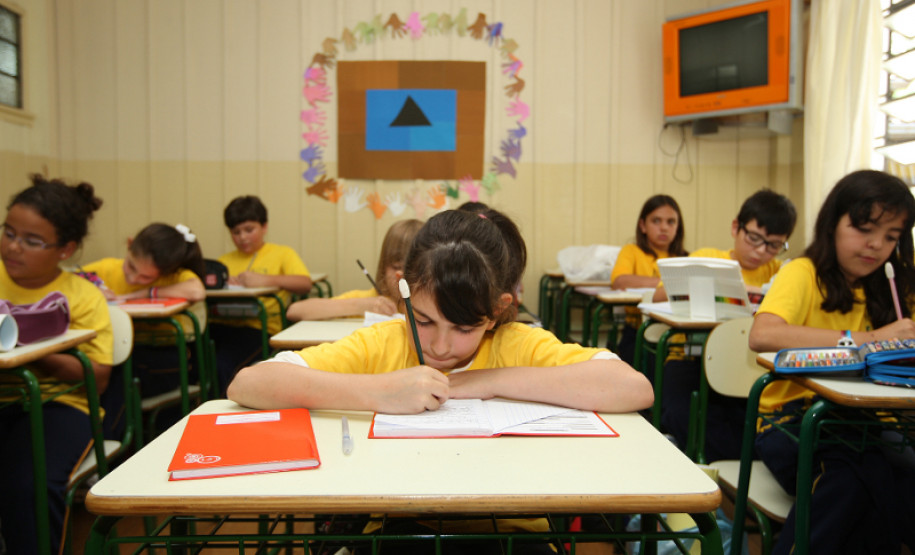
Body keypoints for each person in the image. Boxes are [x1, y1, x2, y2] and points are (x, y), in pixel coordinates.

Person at [228, 209, 653, 554]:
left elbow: (634, 388)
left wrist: (488, 381)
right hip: (399, 526)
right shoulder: (385, 341)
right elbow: (248, 384)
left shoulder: (518, 343)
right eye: (425, 320)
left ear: (498, 308)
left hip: (512, 531)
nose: (442, 346)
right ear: (404, 292)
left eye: (466, 328)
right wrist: (380, 392)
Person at [748, 170, 915, 554]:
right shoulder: (803, 274)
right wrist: (869, 339)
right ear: (833, 222)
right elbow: (764, 335)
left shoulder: (894, 287)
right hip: (791, 423)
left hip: (873, 425)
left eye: (891, 237)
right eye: (865, 228)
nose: (876, 245)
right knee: (853, 478)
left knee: (886, 478)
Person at [0, 175, 113, 555]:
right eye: (8, 232)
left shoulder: (81, 296)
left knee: (27, 482)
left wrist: (35, 351)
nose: (13, 247)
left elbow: (98, 378)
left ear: (65, 249)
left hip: (61, 405)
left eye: (32, 242)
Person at [656, 189, 797, 462]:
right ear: (736, 227)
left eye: (773, 245)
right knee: (682, 414)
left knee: (749, 427)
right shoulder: (708, 257)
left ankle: (724, 478)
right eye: (754, 238)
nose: (760, 251)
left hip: (749, 366)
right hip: (690, 358)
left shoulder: (782, 274)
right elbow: (661, 295)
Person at [81, 222, 206, 436]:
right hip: (123, 353)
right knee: (104, 367)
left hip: (168, 358)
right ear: (129, 246)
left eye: (146, 277)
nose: (133, 278)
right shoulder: (107, 268)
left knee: (118, 375)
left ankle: (108, 442)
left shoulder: (177, 276)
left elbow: (197, 291)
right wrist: (93, 289)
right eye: (131, 267)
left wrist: (142, 292)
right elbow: (69, 280)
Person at [211, 196, 313, 395]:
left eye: (249, 230)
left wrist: (265, 280)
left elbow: (304, 283)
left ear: (264, 226)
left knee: (222, 363)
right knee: (200, 356)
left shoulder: (282, 253)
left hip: (261, 328)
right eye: (235, 232)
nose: (242, 237)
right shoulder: (223, 262)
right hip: (224, 325)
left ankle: (221, 405)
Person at [286, 219, 423, 322]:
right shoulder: (371, 299)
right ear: (383, 267)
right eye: (396, 267)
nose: (401, 277)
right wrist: (360, 305)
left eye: (412, 270)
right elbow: (295, 311)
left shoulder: (433, 303)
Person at [611, 194, 688, 365]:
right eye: (656, 221)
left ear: (678, 227)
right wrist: (666, 284)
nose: (664, 228)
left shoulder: (685, 258)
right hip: (639, 332)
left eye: (671, 222)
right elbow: (620, 281)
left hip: (678, 335)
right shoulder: (632, 251)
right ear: (642, 225)